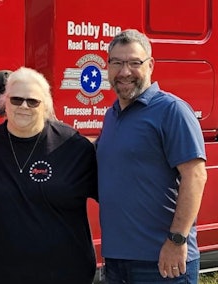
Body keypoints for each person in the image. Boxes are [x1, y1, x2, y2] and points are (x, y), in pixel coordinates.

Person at [0, 66, 98, 284]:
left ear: (45, 105)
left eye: (33, 101)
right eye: (16, 100)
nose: (24, 106)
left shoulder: (74, 147)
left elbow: (113, 196)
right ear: (4, 102)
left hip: (64, 275)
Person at [95, 29, 207, 283]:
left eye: (135, 63)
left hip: (162, 262)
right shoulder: (111, 115)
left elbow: (195, 176)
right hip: (117, 261)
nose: (125, 72)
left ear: (151, 65)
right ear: (108, 67)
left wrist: (176, 240)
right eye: (117, 63)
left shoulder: (172, 110)